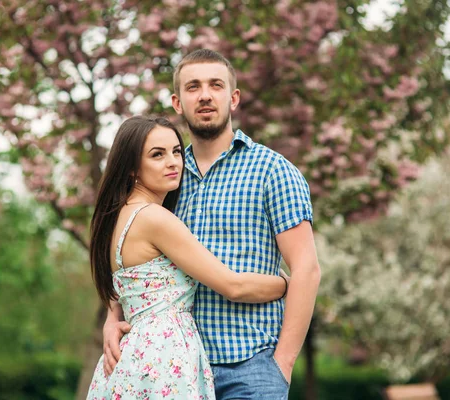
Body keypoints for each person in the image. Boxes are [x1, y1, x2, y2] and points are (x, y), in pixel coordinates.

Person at [102, 49, 321, 399]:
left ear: (233, 98)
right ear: (177, 102)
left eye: (215, 85)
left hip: (251, 367)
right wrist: (113, 317)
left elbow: (306, 269)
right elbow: (136, 260)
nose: (204, 95)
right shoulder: (166, 177)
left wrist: (283, 364)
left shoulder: (272, 171)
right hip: (177, 368)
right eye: (193, 87)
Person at [86, 115, 289, 399]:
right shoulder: (155, 218)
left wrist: (112, 317)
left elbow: (122, 288)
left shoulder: (117, 217)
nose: (173, 162)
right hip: (163, 360)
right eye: (157, 155)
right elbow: (233, 286)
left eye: (176, 151)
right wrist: (288, 285)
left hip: (133, 357)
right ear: (131, 168)